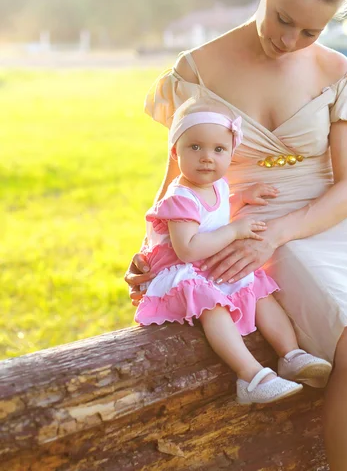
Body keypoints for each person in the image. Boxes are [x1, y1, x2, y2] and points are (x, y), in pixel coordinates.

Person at [126, 0, 347, 470]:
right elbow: (179, 173)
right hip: (248, 225)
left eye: (310, 31)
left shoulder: (340, 75)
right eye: (283, 19)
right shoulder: (197, 71)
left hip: (330, 222)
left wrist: (281, 233)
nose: (290, 41)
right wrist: (151, 248)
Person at [134, 96, 333, 404]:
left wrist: (243, 198)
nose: (207, 158)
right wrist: (234, 230)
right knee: (211, 304)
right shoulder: (179, 198)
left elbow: (215, 211)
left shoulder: (218, 185)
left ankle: (291, 355)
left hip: (206, 263)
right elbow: (187, 249)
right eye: (195, 147)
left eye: (218, 150)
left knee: (257, 286)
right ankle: (251, 376)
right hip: (179, 272)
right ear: (176, 152)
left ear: (230, 153)